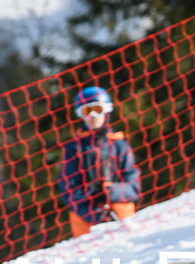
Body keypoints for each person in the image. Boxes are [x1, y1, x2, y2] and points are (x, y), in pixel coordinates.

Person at [58, 86, 141, 238]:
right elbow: (68, 188)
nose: (93, 116)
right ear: (80, 115)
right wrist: (95, 214)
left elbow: (133, 186)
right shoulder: (73, 148)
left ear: (106, 110)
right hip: (87, 225)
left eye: (97, 109)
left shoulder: (120, 145)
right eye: (87, 111)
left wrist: (111, 192)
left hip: (123, 220)